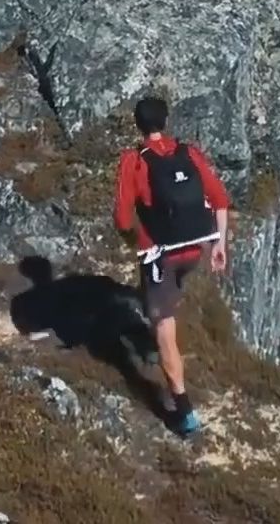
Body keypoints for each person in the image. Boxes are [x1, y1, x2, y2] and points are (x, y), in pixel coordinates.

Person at [113, 96, 231, 437]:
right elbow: (220, 200)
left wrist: (136, 234)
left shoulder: (133, 161)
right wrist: (219, 245)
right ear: (166, 121)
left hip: (160, 254)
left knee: (165, 328)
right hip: (195, 250)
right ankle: (152, 349)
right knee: (163, 303)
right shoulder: (188, 152)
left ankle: (184, 412)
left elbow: (122, 218)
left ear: (137, 124)